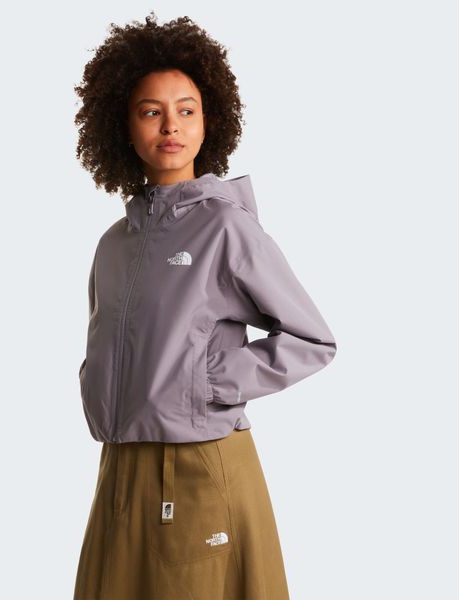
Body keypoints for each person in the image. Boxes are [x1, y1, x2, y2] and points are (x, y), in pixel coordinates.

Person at [72, 11, 337, 600]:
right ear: (122, 125)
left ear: (208, 120)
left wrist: (208, 382)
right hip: (119, 473)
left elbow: (312, 339)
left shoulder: (225, 227)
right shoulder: (113, 244)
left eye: (187, 110)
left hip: (195, 469)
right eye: (151, 111)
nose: (171, 125)